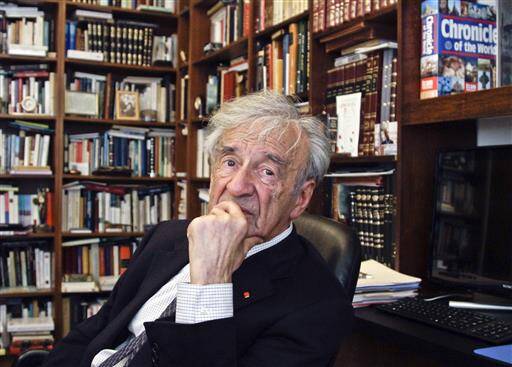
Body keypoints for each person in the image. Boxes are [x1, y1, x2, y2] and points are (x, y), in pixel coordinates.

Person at [43, 91, 354, 367]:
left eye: (267, 171)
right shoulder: (169, 236)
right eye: (230, 162)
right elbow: (99, 329)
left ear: (301, 198)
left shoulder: (317, 307)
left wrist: (210, 282)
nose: (237, 186)